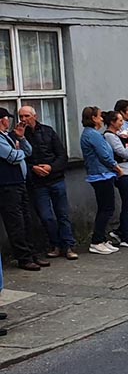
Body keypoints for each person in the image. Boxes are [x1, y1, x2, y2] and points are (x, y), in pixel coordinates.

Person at [19, 104, 77, 261]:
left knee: (62, 214)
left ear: (34, 116)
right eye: (21, 117)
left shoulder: (48, 131)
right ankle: (55, 244)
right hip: (37, 183)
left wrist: (51, 167)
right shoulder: (19, 135)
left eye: (26, 116)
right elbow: (20, 159)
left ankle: (68, 245)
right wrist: (33, 168)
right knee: (46, 216)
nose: (24, 120)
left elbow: (61, 155)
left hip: (55, 178)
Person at [0, 107, 43, 271]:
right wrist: (18, 151)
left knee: (26, 219)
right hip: (7, 186)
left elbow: (28, 151)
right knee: (16, 223)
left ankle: (32, 254)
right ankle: (23, 258)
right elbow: (11, 157)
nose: (9, 121)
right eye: (7, 118)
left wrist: (21, 138)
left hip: (20, 183)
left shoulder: (9, 136)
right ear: (2, 120)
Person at [79, 107, 119, 256]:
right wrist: (116, 167)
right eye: (100, 116)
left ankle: (101, 239)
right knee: (106, 208)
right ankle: (96, 241)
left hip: (102, 174)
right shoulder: (92, 135)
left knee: (106, 207)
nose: (102, 118)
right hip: (101, 174)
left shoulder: (92, 134)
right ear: (94, 118)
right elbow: (104, 154)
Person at [102, 110, 128, 249]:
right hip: (123, 173)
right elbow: (124, 153)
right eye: (120, 121)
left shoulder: (117, 135)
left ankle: (124, 230)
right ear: (112, 122)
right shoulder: (110, 136)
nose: (122, 123)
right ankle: (126, 237)